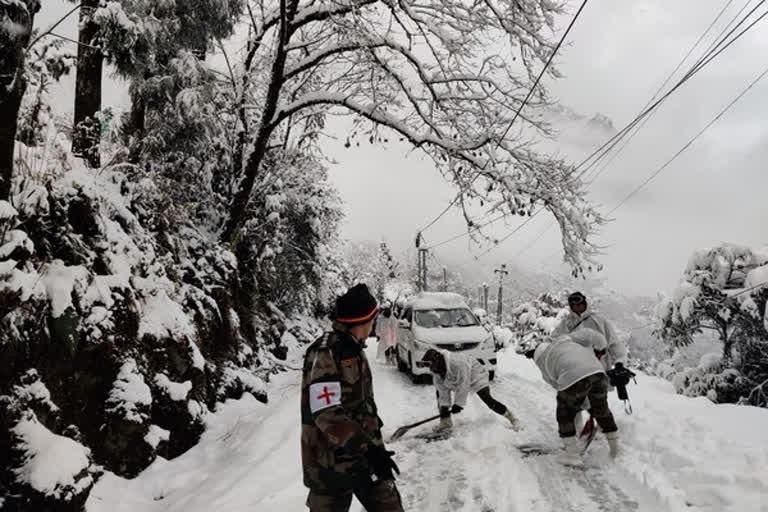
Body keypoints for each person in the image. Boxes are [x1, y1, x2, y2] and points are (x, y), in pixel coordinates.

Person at [301, 284, 404, 512]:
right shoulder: (326, 352)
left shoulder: (353, 348)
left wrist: (375, 447)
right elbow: (325, 412)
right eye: (373, 319)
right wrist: (369, 449)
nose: (374, 324)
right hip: (330, 465)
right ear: (362, 320)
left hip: (365, 457)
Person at [516, 329, 620, 466]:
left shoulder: (545, 363)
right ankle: (615, 450)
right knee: (602, 409)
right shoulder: (565, 340)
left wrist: (577, 405)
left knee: (564, 413)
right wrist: (588, 405)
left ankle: (571, 454)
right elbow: (589, 334)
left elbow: (564, 389)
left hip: (573, 376)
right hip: (598, 371)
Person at [421, 349, 521, 432]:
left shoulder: (457, 363)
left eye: (431, 367)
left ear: (437, 361)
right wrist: (444, 410)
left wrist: (458, 404)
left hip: (475, 373)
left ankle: (512, 418)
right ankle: (446, 423)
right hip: (456, 378)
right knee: (440, 397)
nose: (431, 370)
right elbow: (443, 393)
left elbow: (463, 384)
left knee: (487, 399)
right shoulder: (436, 374)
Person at [552, 291, 628, 372]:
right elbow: (554, 340)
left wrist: (620, 363)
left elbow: (614, 344)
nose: (576, 307)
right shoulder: (566, 323)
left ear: (584, 303)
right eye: (573, 305)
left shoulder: (599, 321)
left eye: (578, 304)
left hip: (600, 371)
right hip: (574, 373)